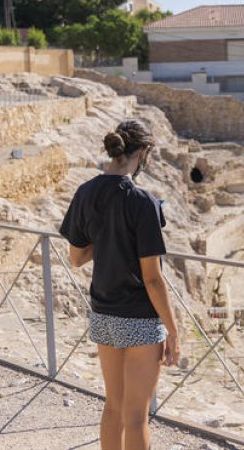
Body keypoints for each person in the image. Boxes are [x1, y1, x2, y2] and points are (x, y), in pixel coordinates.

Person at [61, 119, 179, 450]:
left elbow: (77, 257)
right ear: (142, 152)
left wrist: (107, 236)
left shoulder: (86, 192)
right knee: (137, 416)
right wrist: (173, 330)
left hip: (103, 315)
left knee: (113, 406)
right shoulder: (143, 202)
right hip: (140, 319)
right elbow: (153, 279)